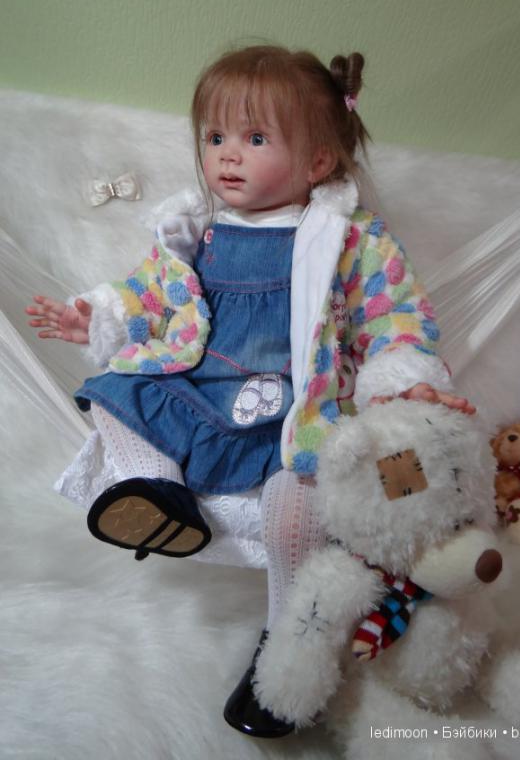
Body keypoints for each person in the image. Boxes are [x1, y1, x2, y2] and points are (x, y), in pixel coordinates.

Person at [26, 44, 474, 738]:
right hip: (202, 389)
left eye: (255, 138)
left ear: (317, 162)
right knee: (113, 393)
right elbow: (151, 294)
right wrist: (100, 314)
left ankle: (289, 636)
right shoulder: (197, 231)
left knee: (294, 512)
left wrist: (401, 385)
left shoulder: (350, 238)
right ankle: (157, 491)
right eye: (214, 137)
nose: (227, 155)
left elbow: (394, 317)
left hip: (298, 411)